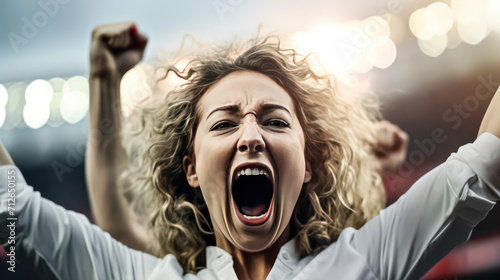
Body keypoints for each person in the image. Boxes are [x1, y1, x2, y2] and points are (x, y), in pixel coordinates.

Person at [1, 22, 500, 280]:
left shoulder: (365, 260)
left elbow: (484, 165)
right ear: (191, 168)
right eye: (223, 122)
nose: (251, 136)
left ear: (308, 165)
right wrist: (103, 81)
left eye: (275, 120)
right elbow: (13, 210)